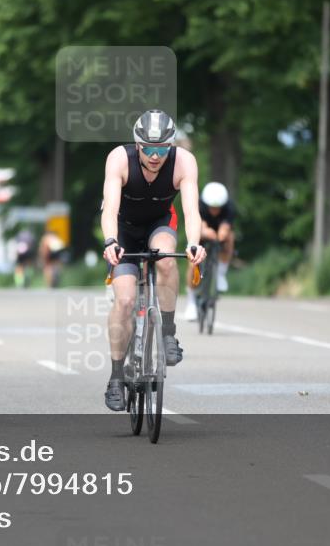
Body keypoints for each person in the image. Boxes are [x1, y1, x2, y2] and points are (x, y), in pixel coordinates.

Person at [101, 110, 206, 412]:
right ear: (137, 145)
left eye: (163, 149)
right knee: (124, 300)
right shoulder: (119, 159)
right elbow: (109, 210)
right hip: (122, 228)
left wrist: (194, 243)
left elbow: (191, 211)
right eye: (149, 149)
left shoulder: (184, 162)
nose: (156, 156)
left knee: (167, 261)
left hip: (160, 223)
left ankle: (169, 334)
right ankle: (117, 377)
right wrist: (111, 242)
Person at [184, 181, 235, 320]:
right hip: (202, 231)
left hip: (218, 231)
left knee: (230, 237)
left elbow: (225, 227)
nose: (214, 211)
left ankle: (221, 274)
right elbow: (200, 225)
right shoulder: (199, 205)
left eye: (218, 208)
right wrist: (205, 232)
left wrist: (222, 235)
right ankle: (191, 301)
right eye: (211, 207)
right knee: (193, 263)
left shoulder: (229, 207)